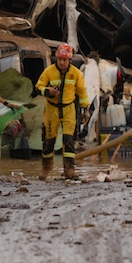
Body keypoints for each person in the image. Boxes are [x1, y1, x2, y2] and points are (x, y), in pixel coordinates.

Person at [35, 44, 89, 180]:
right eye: (59, 59)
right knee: (48, 141)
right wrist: (48, 91)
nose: (62, 62)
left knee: (69, 141)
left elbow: (82, 91)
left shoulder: (76, 73)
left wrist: (85, 108)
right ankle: (46, 168)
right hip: (51, 109)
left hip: (68, 109)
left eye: (64, 60)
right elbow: (38, 87)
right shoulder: (49, 71)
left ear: (70, 60)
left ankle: (69, 170)